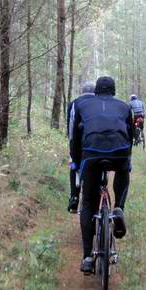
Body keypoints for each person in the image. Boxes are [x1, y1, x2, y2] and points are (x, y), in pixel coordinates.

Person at [69, 76, 132, 273]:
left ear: (95, 90)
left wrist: (77, 162)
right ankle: (119, 208)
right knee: (123, 169)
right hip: (120, 151)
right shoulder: (124, 106)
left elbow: (74, 137)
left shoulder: (80, 104)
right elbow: (129, 136)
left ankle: (88, 256)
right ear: (114, 91)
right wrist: (126, 159)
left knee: (87, 202)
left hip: (91, 154)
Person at [66, 81, 96, 213]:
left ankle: (74, 198)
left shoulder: (74, 103)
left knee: (74, 166)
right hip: (98, 145)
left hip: (79, 145)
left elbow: (71, 130)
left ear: (82, 91)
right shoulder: (100, 102)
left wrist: (72, 151)